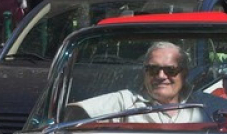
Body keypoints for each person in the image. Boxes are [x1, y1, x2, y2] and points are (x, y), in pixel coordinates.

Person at [68, 42, 207, 123]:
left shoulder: (205, 104)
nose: (161, 76)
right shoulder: (125, 101)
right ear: (145, 73)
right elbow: (72, 114)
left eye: (170, 70)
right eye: (153, 69)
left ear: (184, 73)